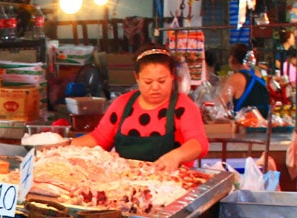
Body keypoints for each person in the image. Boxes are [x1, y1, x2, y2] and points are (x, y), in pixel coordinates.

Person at [71, 46, 209, 171]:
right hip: (127, 183)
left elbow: (198, 143)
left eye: (162, 81)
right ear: (136, 77)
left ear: (172, 75)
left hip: (173, 184)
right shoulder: (122, 104)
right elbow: (99, 139)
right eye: (148, 82)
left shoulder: (183, 106)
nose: (155, 87)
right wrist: (64, 145)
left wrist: (175, 156)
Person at [225, 43, 271, 118]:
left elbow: (221, 103)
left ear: (233, 59)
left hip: (245, 125)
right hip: (264, 123)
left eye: (230, 56)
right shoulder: (258, 74)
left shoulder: (236, 78)